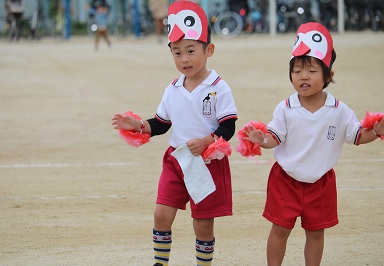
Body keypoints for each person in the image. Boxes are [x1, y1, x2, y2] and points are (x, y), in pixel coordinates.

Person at [241, 22, 384, 265]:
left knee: (316, 233)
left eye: (312, 71)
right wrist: (261, 140)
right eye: (296, 71)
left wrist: (377, 132)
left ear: (329, 75)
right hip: (285, 179)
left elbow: (357, 135)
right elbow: (275, 136)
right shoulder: (285, 108)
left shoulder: (338, 110)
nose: (303, 76)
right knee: (280, 230)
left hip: (321, 182)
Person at [112, 1, 238, 265]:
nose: (184, 59)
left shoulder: (218, 88)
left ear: (209, 50)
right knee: (161, 214)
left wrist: (207, 141)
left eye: (191, 51)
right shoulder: (173, 88)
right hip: (176, 160)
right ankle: (161, 262)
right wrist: (137, 125)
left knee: (203, 224)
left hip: (206, 163)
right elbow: (160, 123)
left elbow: (228, 126)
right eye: (177, 53)